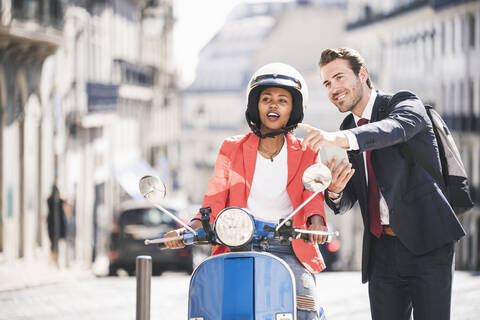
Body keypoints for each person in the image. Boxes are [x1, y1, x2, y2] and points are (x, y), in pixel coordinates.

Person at [299, 47, 466, 320]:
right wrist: (337, 192)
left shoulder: (403, 103)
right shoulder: (348, 128)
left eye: (339, 77)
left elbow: (393, 130)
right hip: (381, 252)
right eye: (327, 83)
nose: (333, 88)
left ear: (362, 74)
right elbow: (352, 197)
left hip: (427, 243)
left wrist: (338, 138)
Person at [164, 62, 328, 319]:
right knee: (217, 308)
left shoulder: (308, 151)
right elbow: (215, 198)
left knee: (304, 303)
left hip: (289, 247)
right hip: (239, 244)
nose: (273, 105)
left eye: (282, 100)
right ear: (255, 105)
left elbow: (312, 196)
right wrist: (190, 228)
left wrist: (316, 223)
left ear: (294, 108)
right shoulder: (232, 148)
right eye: (266, 99)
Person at [47, 185, 68, 266]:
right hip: (54, 224)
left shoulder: (51, 200)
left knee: (54, 243)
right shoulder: (55, 200)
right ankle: (54, 259)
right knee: (53, 243)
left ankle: (54, 259)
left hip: (54, 224)